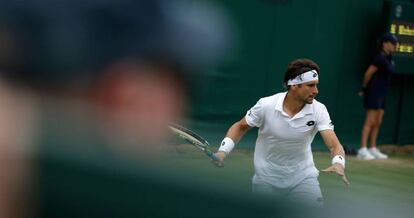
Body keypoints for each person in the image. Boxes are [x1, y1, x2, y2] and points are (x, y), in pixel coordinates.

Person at [215, 59, 349, 207]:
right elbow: (240, 127)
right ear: (293, 86)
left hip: (303, 179)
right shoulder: (266, 105)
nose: (316, 91)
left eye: (316, 85)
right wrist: (223, 152)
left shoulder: (319, 110)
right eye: (310, 85)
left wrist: (338, 163)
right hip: (266, 180)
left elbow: (334, 145)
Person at [357, 33, 397, 160]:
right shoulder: (379, 58)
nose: (395, 46)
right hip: (374, 92)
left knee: (378, 122)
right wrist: (364, 88)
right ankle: (362, 149)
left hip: (382, 93)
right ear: (385, 44)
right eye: (392, 43)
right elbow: (368, 74)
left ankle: (372, 148)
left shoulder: (389, 58)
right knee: (370, 121)